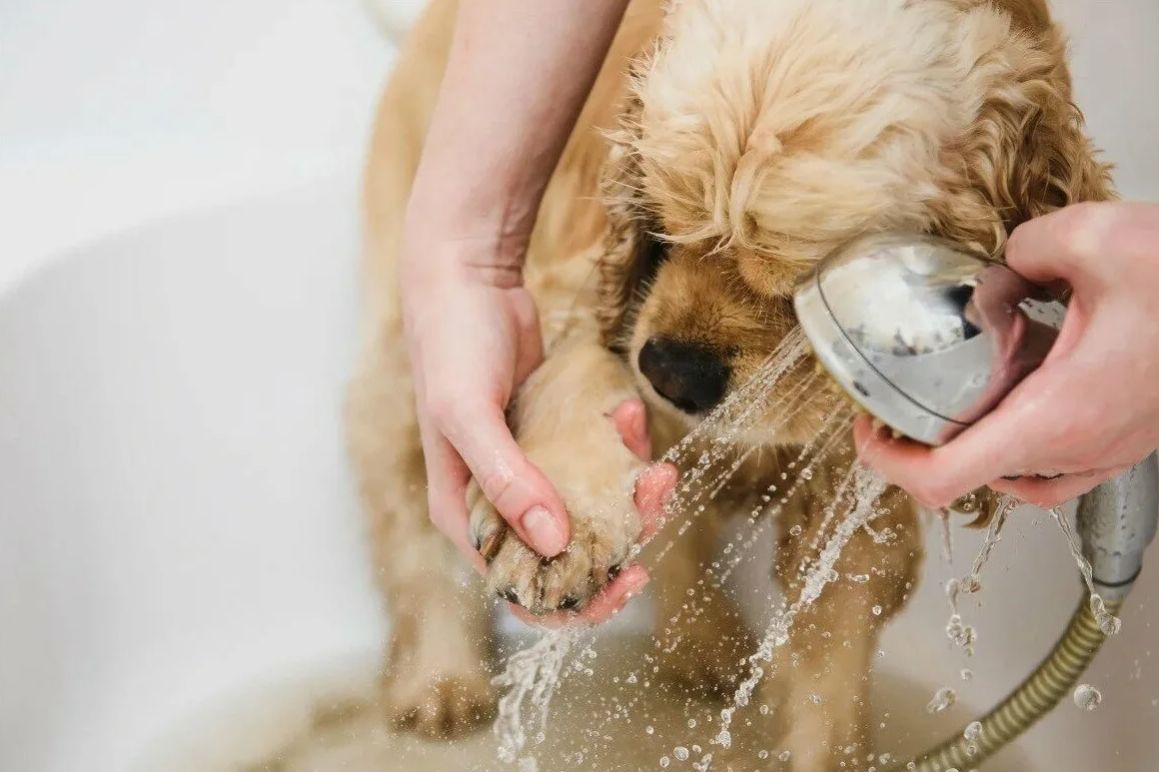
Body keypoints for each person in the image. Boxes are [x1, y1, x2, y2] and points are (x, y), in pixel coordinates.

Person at [401, 1, 1159, 624]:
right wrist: (468, 257)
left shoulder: (964, 130)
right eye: (675, 228)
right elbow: (586, 314)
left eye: (793, 279)